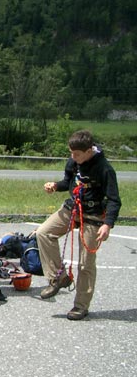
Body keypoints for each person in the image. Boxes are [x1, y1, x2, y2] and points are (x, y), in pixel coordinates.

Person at [36, 130, 121, 321]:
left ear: (89, 151)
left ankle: (81, 305)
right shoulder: (73, 161)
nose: (73, 158)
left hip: (93, 215)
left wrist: (107, 224)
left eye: (77, 155)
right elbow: (68, 182)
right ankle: (59, 278)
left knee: (85, 263)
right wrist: (55, 186)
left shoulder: (105, 169)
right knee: (43, 233)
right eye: (71, 154)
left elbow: (114, 200)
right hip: (73, 208)